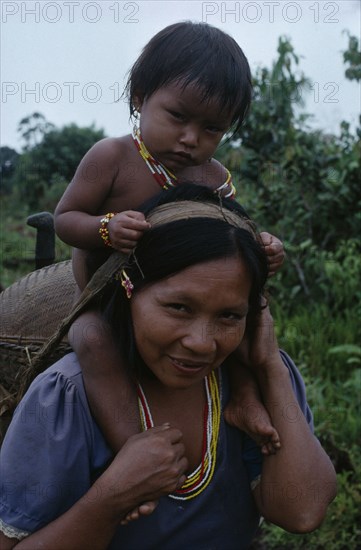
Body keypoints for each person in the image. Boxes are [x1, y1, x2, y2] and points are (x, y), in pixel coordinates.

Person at [0, 186, 336, 549]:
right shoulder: (68, 396)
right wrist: (112, 498)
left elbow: (301, 512)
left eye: (229, 315)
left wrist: (270, 367)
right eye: (179, 308)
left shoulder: (257, 383)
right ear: (128, 288)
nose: (201, 342)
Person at [53, 21, 284, 455]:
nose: (190, 138)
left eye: (212, 129)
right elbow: (65, 219)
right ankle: (132, 449)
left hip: (188, 300)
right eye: (177, 116)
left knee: (249, 317)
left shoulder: (214, 177)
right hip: (108, 298)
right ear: (140, 96)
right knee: (90, 340)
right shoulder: (114, 157)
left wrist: (262, 247)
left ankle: (247, 399)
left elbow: (229, 235)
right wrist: (107, 227)